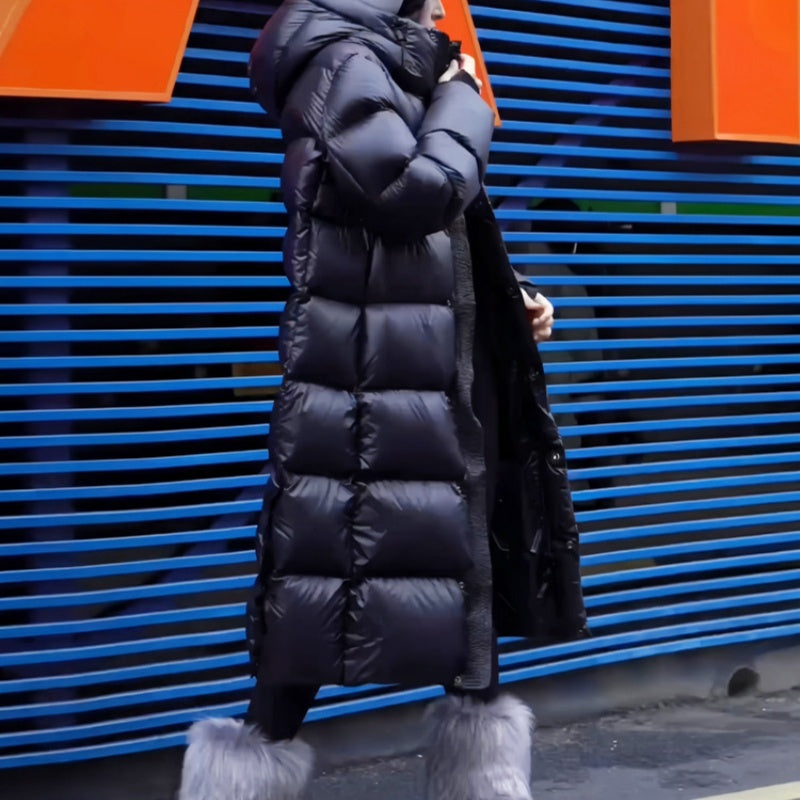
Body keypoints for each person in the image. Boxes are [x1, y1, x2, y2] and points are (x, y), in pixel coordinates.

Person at [178, 0, 588, 797]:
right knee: (323, 597)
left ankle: (480, 781)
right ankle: (238, 776)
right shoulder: (340, 62)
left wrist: (512, 296)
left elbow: (431, 239)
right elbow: (411, 190)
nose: (440, 4)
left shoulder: (396, 68)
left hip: (430, 373)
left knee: (456, 576)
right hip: (368, 387)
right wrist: (467, 100)